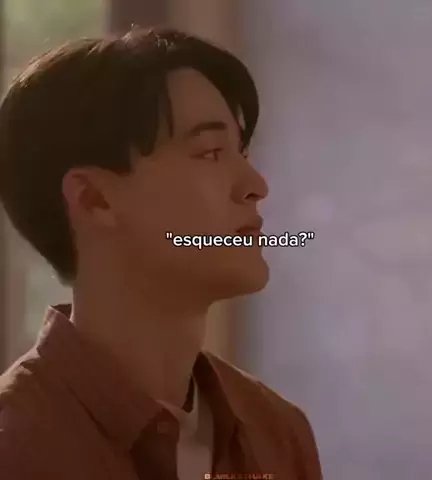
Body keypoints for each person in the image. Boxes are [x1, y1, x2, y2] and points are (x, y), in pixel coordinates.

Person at [0, 27, 322, 480]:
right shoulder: (18, 445)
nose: (255, 185)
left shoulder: (277, 433)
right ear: (95, 199)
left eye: (242, 152)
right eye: (210, 153)